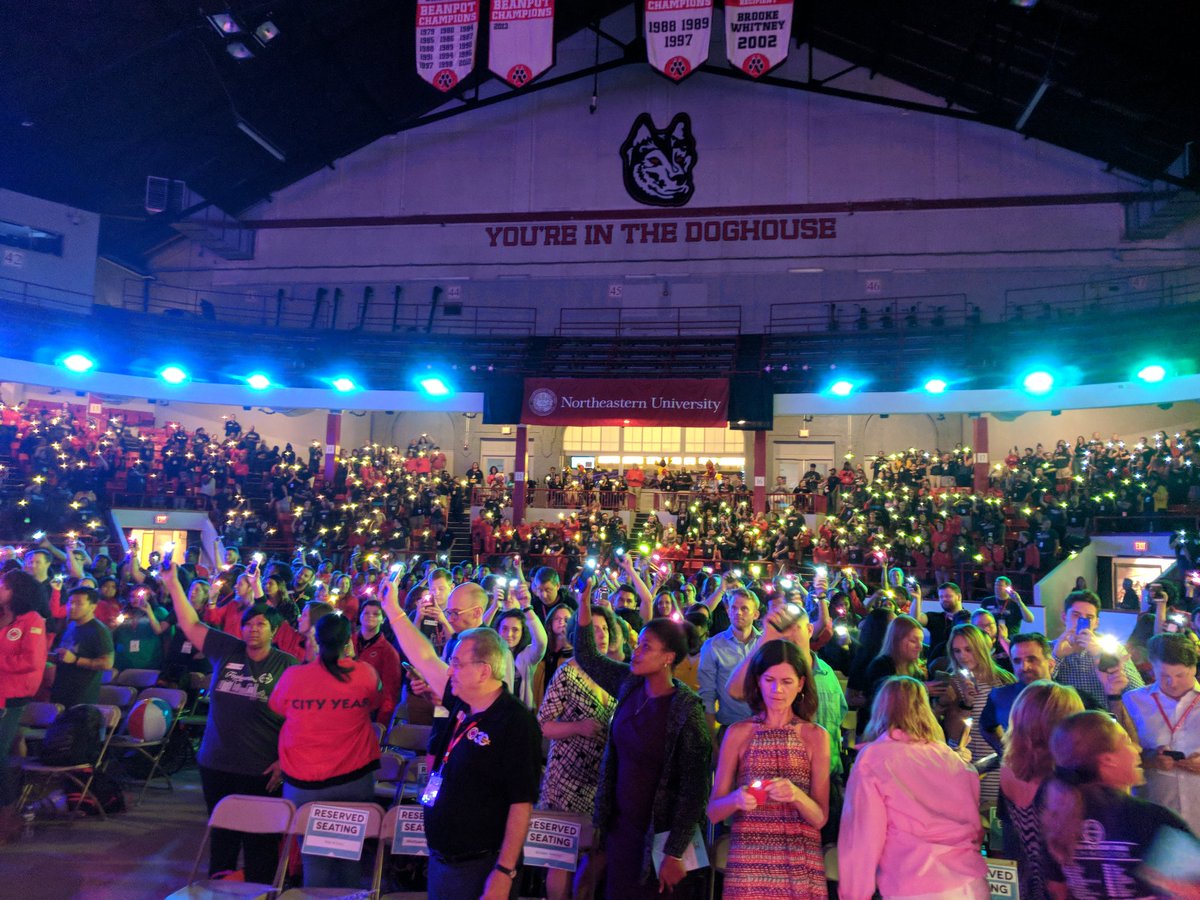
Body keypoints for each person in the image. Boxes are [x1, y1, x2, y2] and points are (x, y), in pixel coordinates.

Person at [379, 573, 541, 900]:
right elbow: (424, 657)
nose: (448, 670)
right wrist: (392, 609)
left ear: (484, 670)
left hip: (481, 866)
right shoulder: (461, 701)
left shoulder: (516, 723)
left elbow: (521, 804)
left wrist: (504, 871)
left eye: (456, 663)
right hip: (443, 859)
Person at [572, 585, 710, 900]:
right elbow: (587, 656)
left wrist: (675, 852)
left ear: (668, 658)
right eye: (638, 644)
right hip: (621, 828)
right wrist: (583, 603)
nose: (636, 651)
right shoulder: (630, 684)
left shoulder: (687, 712)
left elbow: (694, 791)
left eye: (646, 647)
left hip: (660, 836)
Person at [162, 564, 297, 884]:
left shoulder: (287, 665)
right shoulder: (226, 648)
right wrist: (171, 583)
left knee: (260, 845)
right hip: (217, 764)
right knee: (222, 841)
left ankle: (259, 891)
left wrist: (285, 760)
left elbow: (301, 719)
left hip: (261, 771)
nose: (252, 629)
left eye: (261, 624)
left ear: (274, 631)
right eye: (248, 623)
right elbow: (189, 622)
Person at [838, 676, 988, 900]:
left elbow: (863, 839)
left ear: (880, 709)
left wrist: (854, 894)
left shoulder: (874, 759)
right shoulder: (951, 758)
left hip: (915, 885)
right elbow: (975, 829)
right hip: (971, 884)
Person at [707, 640, 829, 899]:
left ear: (801, 684)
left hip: (799, 860)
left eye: (786, 682)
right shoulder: (738, 733)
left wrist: (796, 795)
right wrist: (736, 799)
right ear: (757, 682)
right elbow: (714, 811)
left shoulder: (815, 736)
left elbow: (820, 818)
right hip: (748, 862)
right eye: (769, 680)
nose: (777, 690)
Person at [269, 613, 381, 888]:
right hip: (353, 780)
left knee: (313, 859)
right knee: (348, 857)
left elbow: (277, 709)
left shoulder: (294, 676)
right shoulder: (365, 673)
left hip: (303, 783)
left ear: (315, 640)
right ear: (348, 641)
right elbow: (374, 702)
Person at [1041, 710, 1195, 899]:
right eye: (1128, 742)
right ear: (1108, 760)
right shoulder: (1153, 820)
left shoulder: (1056, 819)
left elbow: (1058, 890)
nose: (1137, 749)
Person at [537, 604, 619, 900]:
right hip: (566, 779)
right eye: (591, 629)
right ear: (577, 636)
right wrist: (578, 727)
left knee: (600, 850)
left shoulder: (617, 674)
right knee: (562, 858)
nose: (600, 635)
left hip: (602, 777)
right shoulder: (566, 674)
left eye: (605, 629)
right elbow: (543, 725)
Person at [997, 681, 1084, 898]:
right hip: (1064, 888)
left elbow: (1005, 835)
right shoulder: (1064, 780)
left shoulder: (1008, 769)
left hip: (1028, 885)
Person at [1122, 632, 1200, 833]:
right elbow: (1117, 758)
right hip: (1155, 821)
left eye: (1180, 675)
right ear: (1152, 667)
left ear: (1194, 669)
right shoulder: (1133, 701)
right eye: (1163, 675)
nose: (1172, 683)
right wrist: (1150, 760)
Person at [0, 570, 49, 842]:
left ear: (16, 591)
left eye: (3, 586)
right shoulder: (2, 617)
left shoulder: (31, 620)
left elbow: (32, 661)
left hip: (12, 696)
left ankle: (8, 814)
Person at [945, 622, 1015, 805]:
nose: (963, 656)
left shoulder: (1004, 679)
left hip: (1001, 765)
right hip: (967, 767)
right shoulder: (953, 682)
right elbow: (952, 737)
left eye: (968, 649)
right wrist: (966, 703)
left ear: (980, 647)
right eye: (957, 651)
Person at [1052, 590, 1143, 708]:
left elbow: (1139, 694)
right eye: (1076, 615)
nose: (1082, 622)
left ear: (1096, 623)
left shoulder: (1113, 648)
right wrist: (1057, 658)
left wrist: (1102, 656)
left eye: (1089, 617)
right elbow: (1037, 693)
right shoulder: (1049, 649)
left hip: (1105, 719)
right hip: (1065, 721)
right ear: (1064, 617)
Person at [698, 587, 761, 744]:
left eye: (744, 608)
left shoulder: (765, 644)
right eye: (734, 608)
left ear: (756, 614)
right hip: (731, 729)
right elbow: (707, 697)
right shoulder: (712, 646)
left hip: (763, 729)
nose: (738, 612)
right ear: (728, 611)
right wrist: (711, 740)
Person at [980, 632, 1054, 753]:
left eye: (1031, 659)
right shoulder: (1000, 696)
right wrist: (1005, 751)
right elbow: (986, 727)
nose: (1024, 667)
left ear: (1051, 664)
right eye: (1017, 661)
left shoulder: (1073, 697)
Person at [50, 585, 114, 707]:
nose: (72, 607)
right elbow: (65, 656)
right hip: (60, 692)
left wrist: (76, 660)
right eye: (70, 602)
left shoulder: (99, 630)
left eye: (79, 604)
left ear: (93, 607)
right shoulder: (71, 625)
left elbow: (107, 663)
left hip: (81, 698)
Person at [353, 598, 401, 727]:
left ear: (383, 619)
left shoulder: (388, 652)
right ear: (360, 616)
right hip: (343, 704)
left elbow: (389, 692)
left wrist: (381, 724)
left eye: (376, 614)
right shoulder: (347, 642)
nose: (370, 617)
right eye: (366, 613)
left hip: (369, 711)